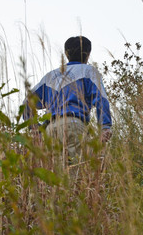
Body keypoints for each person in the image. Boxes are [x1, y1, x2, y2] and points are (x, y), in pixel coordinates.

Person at [23, 36, 112, 164]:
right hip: (74, 125)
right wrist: (105, 126)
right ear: (88, 54)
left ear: (66, 53)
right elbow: (101, 99)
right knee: (77, 174)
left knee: (55, 176)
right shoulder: (88, 71)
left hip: (49, 130)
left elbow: (26, 104)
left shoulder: (50, 76)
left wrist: (35, 130)